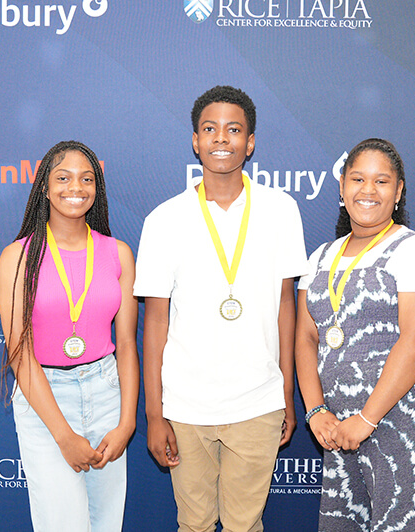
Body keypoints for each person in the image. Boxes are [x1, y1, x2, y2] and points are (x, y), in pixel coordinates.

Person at [134, 85, 308, 532]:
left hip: (258, 401)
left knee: (245, 526)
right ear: (195, 140)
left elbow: (285, 310)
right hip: (186, 405)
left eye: (234, 130)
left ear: (250, 142)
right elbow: (154, 322)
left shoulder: (281, 210)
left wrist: (286, 393)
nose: (221, 139)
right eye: (210, 129)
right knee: (192, 525)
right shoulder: (164, 219)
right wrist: (154, 412)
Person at [295, 138, 415, 531]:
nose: (368, 190)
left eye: (381, 181)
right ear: (342, 187)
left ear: (398, 191)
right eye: (358, 179)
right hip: (338, 427)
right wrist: (316, 412)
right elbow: (306, 339)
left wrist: (366, 418)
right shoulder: (320, 258)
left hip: (400, 419)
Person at [0, 140, 139, 531]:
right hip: (45, 397)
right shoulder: (18, 256)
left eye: (86, 178)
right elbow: (19, 351)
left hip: (107, 392)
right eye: (63, 177)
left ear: (97, 188)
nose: (75, 187)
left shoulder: (118, 253)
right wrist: (62, 435)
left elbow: (126, 344)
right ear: (44, 185)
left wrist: (127, 422)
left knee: (106, 524)